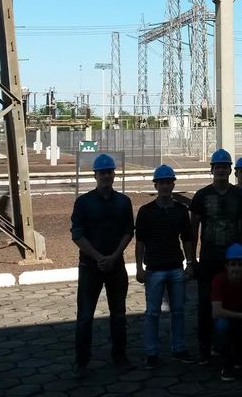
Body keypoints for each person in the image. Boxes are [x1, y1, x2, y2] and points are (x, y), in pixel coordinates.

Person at [70, 153, 135, 378]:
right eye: (102, 172)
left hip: (116, 267)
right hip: (90, 268)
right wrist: (99, 257)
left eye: (109, 172)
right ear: (95, 175)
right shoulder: (84, 202)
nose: (106, 176)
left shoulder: (123, 202)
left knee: (118, 314)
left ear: (114, 174)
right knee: (85, 316)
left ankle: (120, 356)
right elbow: (77, 235)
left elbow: (129, 231)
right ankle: (82, 361)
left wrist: (114, 256)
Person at [190, 148, 242, 365]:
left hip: (233, 261)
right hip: (208, 257)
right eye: (218, 167)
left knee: (235, 302)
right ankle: (205, 349)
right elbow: (193, 228)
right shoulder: (202, 196)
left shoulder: (239, 196)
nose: (221, 170)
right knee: (206, 305)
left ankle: (231, 347)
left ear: (230, 170)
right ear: (212, 169)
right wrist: (191, 260)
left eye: (225, 167)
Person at [135, 164, 195, 369]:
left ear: (173, 184)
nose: (165, 186)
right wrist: (139, 268)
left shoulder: (181, 211)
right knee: (152, 313)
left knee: (178, 311)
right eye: (161, 182)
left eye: (168, 182)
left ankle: (178, 348)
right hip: (154, 269)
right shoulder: (146, 212)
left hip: (175, 267)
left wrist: (189, 263)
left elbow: (187, 239)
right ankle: (151, 352)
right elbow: (140, 241)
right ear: (156, 185)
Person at [212, 243, 242, 383]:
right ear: (226, 266)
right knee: (221, 326)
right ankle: (226, 363)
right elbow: (217, 312)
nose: (236, 269)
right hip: (228, 318)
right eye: (233, 264)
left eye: (240, 264)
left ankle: (240, 357)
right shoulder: (219, 280)